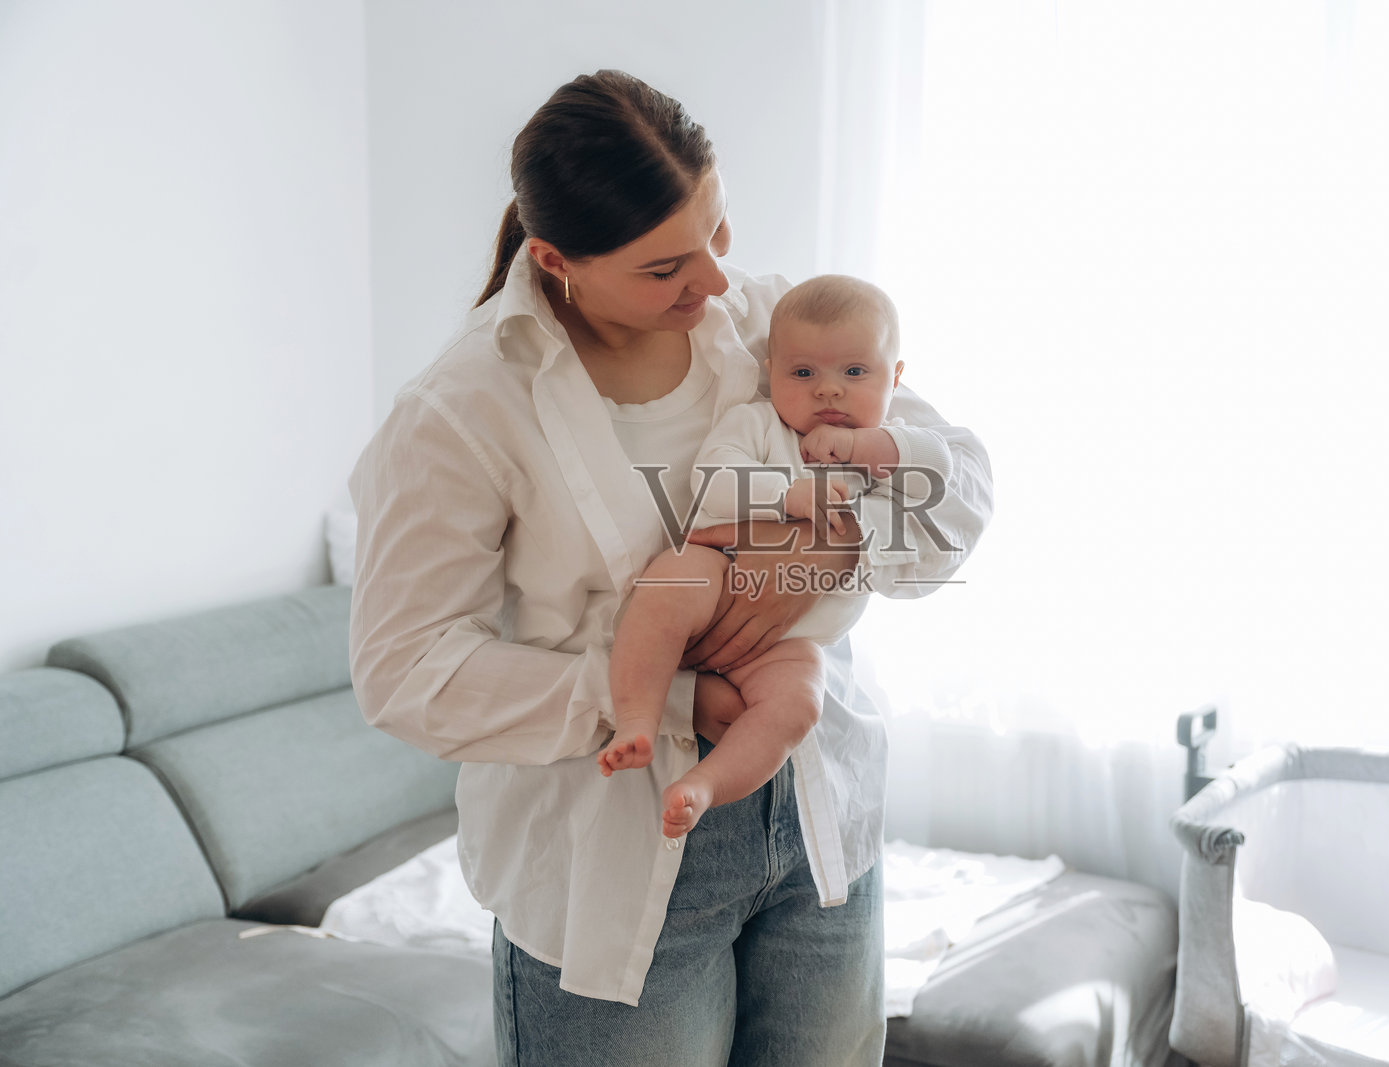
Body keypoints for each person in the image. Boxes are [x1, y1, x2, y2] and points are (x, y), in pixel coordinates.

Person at [346, 69, 991, 1067]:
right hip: (613, 855)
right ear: (557, 259)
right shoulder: (463, 410)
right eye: (665, 268)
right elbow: (405, 669)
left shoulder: (780, 330)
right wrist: (667, 698)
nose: (719, 283)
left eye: (718, 233)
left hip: (819, 818)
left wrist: (838, 537)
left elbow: (961, 484)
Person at [601, 274, 912, 843]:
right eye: (803, 373)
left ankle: (703, 787)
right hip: (715, 585)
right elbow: (711, 480)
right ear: (771, 372)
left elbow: (939, 516)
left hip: (789, 645)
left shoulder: (892, 453)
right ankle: (639, 718)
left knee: (799, 704)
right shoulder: (757, 423)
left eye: (854, 372)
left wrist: (845, 535)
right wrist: (785, 495)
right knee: (675, 574)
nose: (828, 391)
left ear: (895, 378)